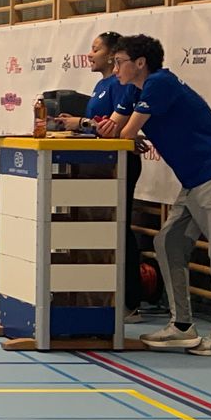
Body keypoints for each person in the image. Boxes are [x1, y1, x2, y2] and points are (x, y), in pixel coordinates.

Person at [102, 35, 211, 357]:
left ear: (140, 63)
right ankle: (182, 325)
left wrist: (126, 134)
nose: (114, 70)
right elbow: (114, 129)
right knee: (168, 242)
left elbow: (126, 133)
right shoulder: (134, 89)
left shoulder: (159, 83)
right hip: (194, 180)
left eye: (119, 62)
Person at [52, 30, 143, 311]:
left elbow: (116, 129)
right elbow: (99, 125)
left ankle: (129, 301)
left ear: (113, 54)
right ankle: (99, 296)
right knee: (99, 229)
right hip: (97, 165)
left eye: (96, 49)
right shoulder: (102, 85)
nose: (90, 55)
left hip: (118, 164)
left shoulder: (120, 85)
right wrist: (77, 123)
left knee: (118, 228)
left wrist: (82, 123)